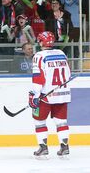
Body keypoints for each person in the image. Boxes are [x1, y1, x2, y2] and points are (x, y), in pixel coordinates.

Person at [29, 31, 71, 159]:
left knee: (39, 121)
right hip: (63, 94)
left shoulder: (39, 56)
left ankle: (43, 147)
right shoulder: (61, 54)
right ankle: (64, 146)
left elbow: (38, 78)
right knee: (61, 121)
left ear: (41, 42)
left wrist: (34, 95)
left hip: (45, 96)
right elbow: (68, 74)